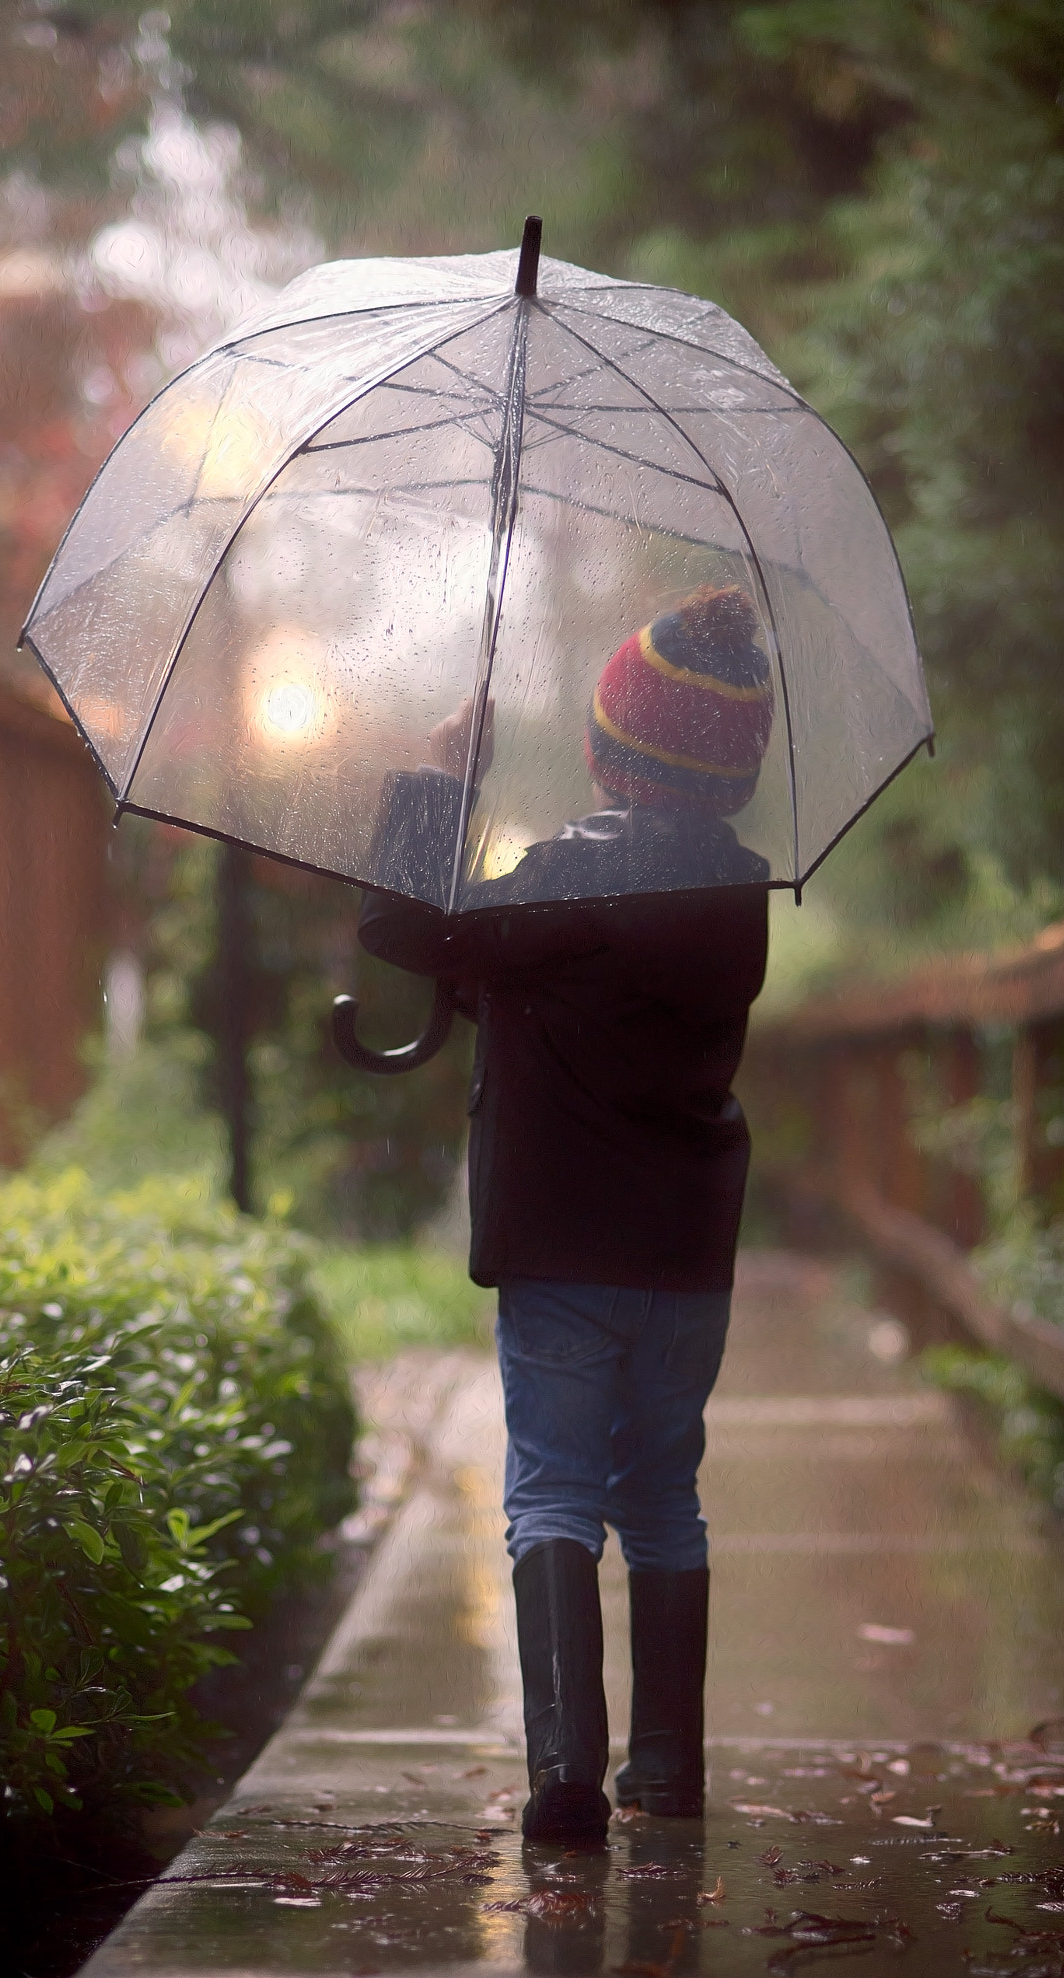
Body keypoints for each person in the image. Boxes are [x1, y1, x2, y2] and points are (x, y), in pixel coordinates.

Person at [358, 583, 773, 1848]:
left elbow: (407, 928)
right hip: (682, 1256)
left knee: (549, 1489)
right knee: (662, 1498)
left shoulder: (570, 881)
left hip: (559, 1251)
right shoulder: (739, 898)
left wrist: (441, 778)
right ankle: (666, 1763)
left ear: (608, 751)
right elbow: (593, 1004)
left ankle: (561, 1769)